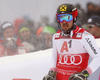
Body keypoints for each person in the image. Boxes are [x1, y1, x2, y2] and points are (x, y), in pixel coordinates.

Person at [43, 3, 100, 80]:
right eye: (60, 18)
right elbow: (55, 57)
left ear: (74, 18)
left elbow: (98, 57)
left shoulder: (85, 36)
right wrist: (51, 72)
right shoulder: (56, 36)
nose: (64, 22)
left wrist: (84, 74)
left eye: (67, 18)